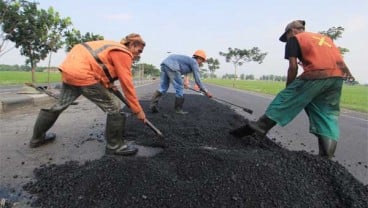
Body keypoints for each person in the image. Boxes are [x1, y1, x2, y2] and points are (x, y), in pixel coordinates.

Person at [230, 20, 354, 159]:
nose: (287, 40)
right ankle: (326, 157)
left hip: (316, 74)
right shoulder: (326, 39)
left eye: (287, 36)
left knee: (283, 100)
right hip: (337, 78)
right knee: (326, 115)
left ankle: (260, 126)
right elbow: (339, 61)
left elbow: (293, 67)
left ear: (292, 31)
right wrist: (346, 76)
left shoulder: (295, 39)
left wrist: (289, 89)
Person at [29, 33, 147, 156]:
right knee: (114, 106)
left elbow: (98, 65)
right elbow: (127, 83)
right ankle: (115, 146)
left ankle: (37, 138)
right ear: (133, 44)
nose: (138, 54)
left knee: (59, 105)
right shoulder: (123, 52)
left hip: (70, 69)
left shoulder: (110, 46)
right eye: (139, 51)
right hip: (83, 73)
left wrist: (108, 84)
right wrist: (137, 110)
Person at [149, 50, 213, 114]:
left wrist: (185, 82)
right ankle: (178, 109)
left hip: (165, 64)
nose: (201, 63)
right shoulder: (194, 62)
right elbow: (197, 79)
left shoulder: (189, 61)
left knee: (163, 87)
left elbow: (185, 73)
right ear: (199, 58)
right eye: (202, 61)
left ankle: (153, 105)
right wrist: (206, 91)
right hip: (173, 66)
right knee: (179, 88)